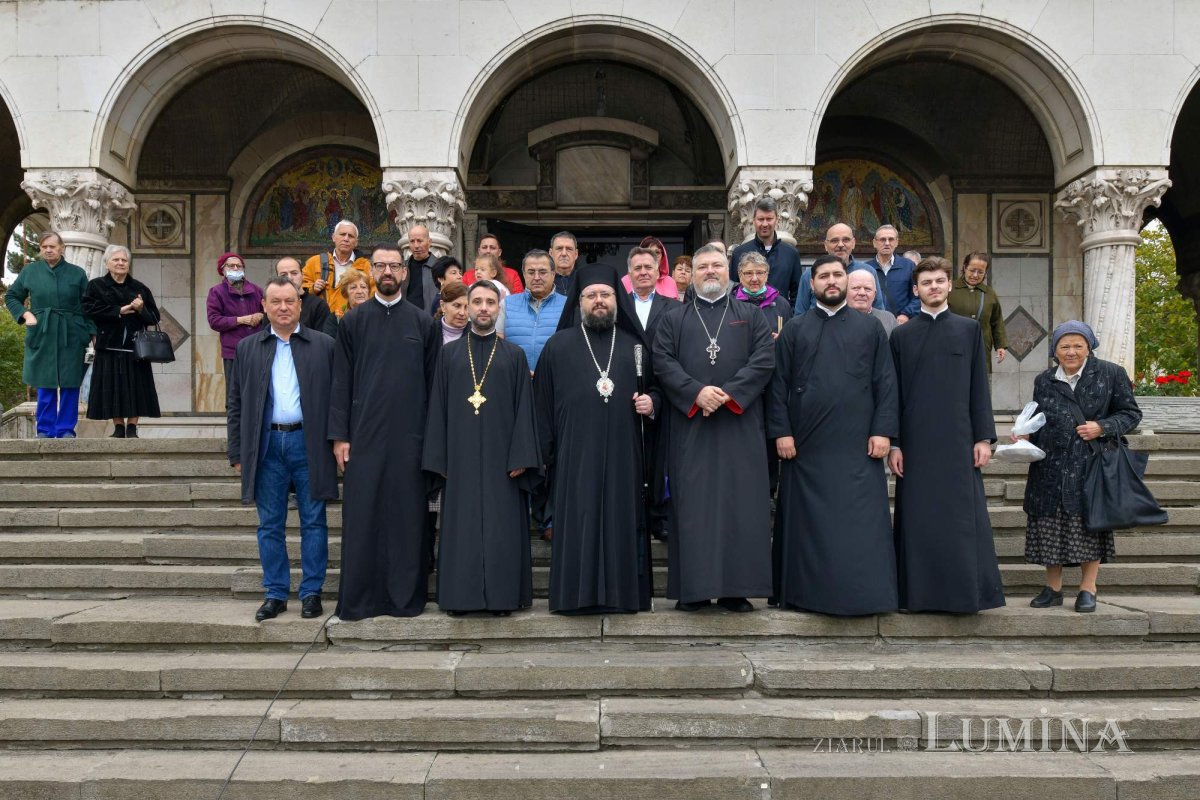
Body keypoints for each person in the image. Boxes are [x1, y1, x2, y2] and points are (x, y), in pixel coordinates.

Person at [768, 255, 899, 615]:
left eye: (837, 275)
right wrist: (782, 432)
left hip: (857, 446)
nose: (830, 281)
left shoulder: (870, 329)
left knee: (857, 526)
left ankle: (863, 596)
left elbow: (886, 383)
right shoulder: (795, 329)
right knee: (808, 527)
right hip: (805, 449)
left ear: (846, 281)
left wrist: (883, 431)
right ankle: (804, 596)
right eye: (823, 275)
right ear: (812, 285)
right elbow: (777, 385)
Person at [652, 244, 775, 612]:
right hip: (691, 428)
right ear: (694, 273)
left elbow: (764, 360)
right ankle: (695, 590)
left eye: (716, 265)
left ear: (729, 271)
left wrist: (728, 394)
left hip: (739, 424)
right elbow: (662, 361)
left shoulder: (752, 317)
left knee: (742, 506)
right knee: (694, 509)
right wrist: (697, 393)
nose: (709, 271)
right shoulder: (674, 317)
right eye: (702, 266)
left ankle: (737, 590)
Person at [536, 262, 659, 613]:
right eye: (591, 296)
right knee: (579, 521)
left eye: (605, 294)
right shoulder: (557, 347)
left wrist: (652, 404)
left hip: (625, 455)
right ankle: (575, 599)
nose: (599, 301)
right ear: (579, 302)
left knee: (621, 521)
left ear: (617, 300)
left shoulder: (636, 347)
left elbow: (656, 392)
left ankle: (623, 597)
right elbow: (541, 407)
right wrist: (543, 458)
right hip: (574, 457)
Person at [329, 244, 440, 619]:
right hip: (364, 438)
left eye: (395, 265)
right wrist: (340, 437)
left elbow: (434, 385)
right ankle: (361, 599)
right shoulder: (353, 322)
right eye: (381, 266)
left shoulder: (423, 323)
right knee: (363, 517)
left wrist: (433, 442)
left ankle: (405, 599)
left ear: (405, 272)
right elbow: (340, 383)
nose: (388, 271)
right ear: (371, 271)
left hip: (412, 440)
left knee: (408, 519)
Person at [888, 256, 1004, 613]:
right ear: (916, 289)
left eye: (939, 281)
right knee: (919, 520)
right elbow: (893, 393)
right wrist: (894, 443)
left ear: (948, 286)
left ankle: (964, 596)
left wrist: (984, 437)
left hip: (958, 441)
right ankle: (917, 596)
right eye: (927, 283)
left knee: (961, 520)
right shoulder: (901, 335)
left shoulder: (968, 331)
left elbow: (978, 388)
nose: (933, 287)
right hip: (916, 442)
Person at [423, 281, 540, 616]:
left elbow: (524, 410)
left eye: (491, 302)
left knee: (502, 529)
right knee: (462, 527)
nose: (484, 308)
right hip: (459, 457)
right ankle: (461, 598)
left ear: (498, 308)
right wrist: (439, 457)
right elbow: (438, 408)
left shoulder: (514, 355)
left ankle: (503, 598)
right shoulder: (448, 355)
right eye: (477, 302)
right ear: (467, 308)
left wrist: (522, 455)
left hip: (504, 459)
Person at [227, 276, 338, 622]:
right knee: (270, 524)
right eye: (275, 301)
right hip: (266, 445)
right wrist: (237, 453)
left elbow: (338, 400)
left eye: (289, 301)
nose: (283, 307)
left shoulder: (323, 345)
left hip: (310, 443)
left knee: (314, 522)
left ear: (300, 305)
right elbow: (235, 403)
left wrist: (338, 441)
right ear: (264, 306)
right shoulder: (248, 348)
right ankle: (275, 593)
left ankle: (311, 592)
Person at [1020, 321, 1142, 613]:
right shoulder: (1044, 379)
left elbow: (1131, 413)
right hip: (1049, 465)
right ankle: (1053, 588)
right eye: (1065, 346)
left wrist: (1103, 426)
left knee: (1089, 525)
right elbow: (1040, 417)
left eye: (1078, 345)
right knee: (1048, 524)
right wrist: (1025, 433)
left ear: (1089, 346)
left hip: (1091, 463)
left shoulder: (1110, 374)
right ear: (1055, 350)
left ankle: (1088, 589)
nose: (1071, 351)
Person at [503, 250, 567, 540]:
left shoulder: (568, 306)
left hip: (554, 393)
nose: (537, 277)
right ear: (523, 274)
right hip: (515, 393)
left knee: (550, 455)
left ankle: (548, 516)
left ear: (554, 274)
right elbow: (498, 343)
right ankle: (517, 515)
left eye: (543, 271)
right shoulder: (508, 304)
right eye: (531, 271)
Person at [6, 231, 94, 439]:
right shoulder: (30, 272)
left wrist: (91, 333)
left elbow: (88, 306)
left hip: (72, 333)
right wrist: (25, 314)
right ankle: (45, 429)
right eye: (44, 247)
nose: (47, 250)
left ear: (61, 248)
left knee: (70, 383)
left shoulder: (77, 273)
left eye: (52, 246)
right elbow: (12, 296)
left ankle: (65, 429)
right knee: (44, 382)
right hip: (42, 332)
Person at [81, 245, 162, 438]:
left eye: (124, 260)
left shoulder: (140, 288)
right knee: (112, 386)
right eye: (116, 260)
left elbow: (154, 318)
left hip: (136, 347)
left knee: (135, 386)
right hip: (108, 344)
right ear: (107, 263)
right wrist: (118, 310)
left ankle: (132, 427)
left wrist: (141, 309)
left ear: (129, 264)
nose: (120, 263)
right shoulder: (96, 285)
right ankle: (118, 427)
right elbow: (88, 310)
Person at [206, 252, 263, 407]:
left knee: (258, 393)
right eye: (231, 265)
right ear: (223, 270)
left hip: (257, 348)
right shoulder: (216, 292)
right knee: (234, 396)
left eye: (239, 265)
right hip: (233, 351)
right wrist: (240, 320)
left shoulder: (257, 290)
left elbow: (270, 311)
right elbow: (214, 320)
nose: (236, 268)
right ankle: (236, 431)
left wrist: (261, 315)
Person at [795, 223, 885, 312]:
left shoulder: (868, 272)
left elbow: (878, 310)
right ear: (826, 245)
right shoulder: (810, 274)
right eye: (834, 241)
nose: (841, 245)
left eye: (846, 240)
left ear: (853, 243)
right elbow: (800, 313)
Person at [729, 196, 801, 304]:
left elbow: (797, 293)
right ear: (753, 221)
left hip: (780, 317)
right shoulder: (739, 253)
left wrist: (789, 316)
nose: (765, 224)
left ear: (777, 220)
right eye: (760, 219)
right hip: (747, 316)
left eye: (769, 219)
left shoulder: (791, 254)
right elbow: (732, 289)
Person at [947, 252, 1008, 373]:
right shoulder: (949, 289)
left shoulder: (989, 293)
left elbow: (997, 321)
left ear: (985, 272)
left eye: (980, 272)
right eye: (972, 270)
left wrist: (1000, 345)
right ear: (964, 267)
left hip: (981, 348)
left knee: (981, 383)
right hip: (953, 347)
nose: (975, 275)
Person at [301, 220, 373, 317]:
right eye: (342, 234)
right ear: (333, 237)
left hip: (353, 319)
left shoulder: (366, 266)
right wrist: (313, 288)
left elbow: (373, 293)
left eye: (350, 236)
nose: (346, 239)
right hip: (320, 321)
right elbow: (300, 289)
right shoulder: (314, 262)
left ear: (356, 242)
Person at [864, 224, 919, 323]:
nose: (887, 243)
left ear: (897, 242)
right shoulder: (866, 268)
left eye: (891, 239)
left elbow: (919, 296)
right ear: (874, 243)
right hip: (872, 323)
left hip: (901, 324)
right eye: (882, 239)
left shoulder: (909, 266)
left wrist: (906, 314)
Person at [732, 251, 792, 338]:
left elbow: (791, 339)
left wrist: (782, 340)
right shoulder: (730, 304)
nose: (754, 279)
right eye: (749, 273)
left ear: (766, 275)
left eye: (760, 273)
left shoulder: (781, 304)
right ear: (740, 275)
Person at [276, 256, 336, 338]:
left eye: (294, 273)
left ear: (302, 275)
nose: (289, 278)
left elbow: (323, 341)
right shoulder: (272, 304)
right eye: (283, 275)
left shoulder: (318, 305)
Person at [627, 246, 675, 339]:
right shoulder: (618, 306)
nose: (643, 272)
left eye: (648, 267)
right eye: (637, 268)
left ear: (657, 273)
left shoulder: (675, 308)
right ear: (629, 275)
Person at [847, 269, 898, 337]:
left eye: (867, 289)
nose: (862, 293)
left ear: (874, 294)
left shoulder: (888, 319)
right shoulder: (835, 319)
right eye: (856, 288)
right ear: (845, 292)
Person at [403, 224, 438, 315]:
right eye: (412, 241)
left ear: (429, 242)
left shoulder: (440, 267)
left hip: (430, 320)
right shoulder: (402, 267)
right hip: (406, 319)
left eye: (419, 241)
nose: (416, 245)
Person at [435, 280, 470, 345]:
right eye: (457, 306)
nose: (462, 313)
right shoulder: (429, 332)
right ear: (443, 306)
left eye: (466, 307)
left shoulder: (478, 333)